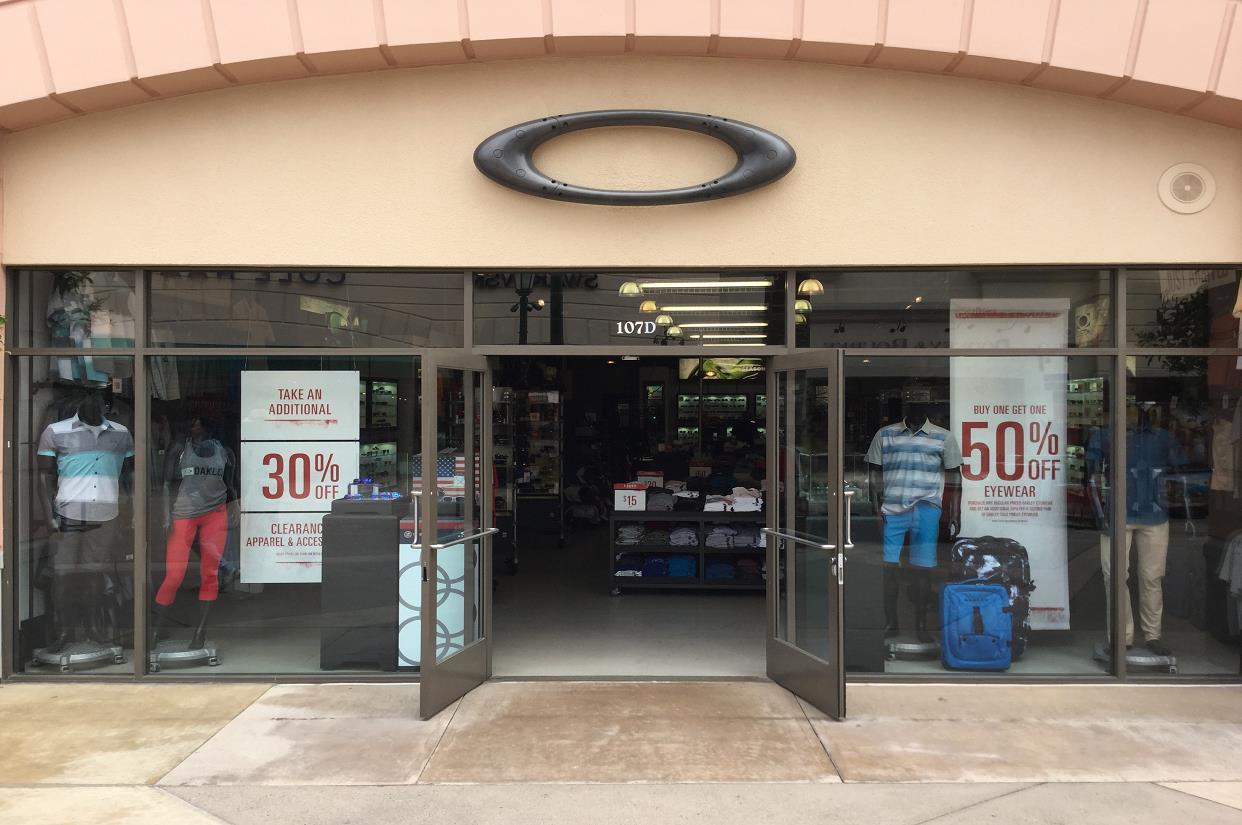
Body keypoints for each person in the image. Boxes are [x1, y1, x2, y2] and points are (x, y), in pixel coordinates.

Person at [1086, 401, 1188, 657]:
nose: (1137, 413)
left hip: (1155, 514)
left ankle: (1153, 635)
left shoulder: (1163, 438)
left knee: (1152, 577)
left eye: (1144, 408)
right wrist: (1099, 514)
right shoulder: (1105, 435)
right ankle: (1122, 636)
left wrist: (1183, 508)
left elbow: (1181, 472)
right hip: (1117, 513)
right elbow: (1092, 477)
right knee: (1114, 577)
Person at [866, 403, 962, 643]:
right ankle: (891, 623)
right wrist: (875, 508)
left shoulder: (944, 437)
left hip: (927, 508)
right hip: (892, 508)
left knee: (923, 570)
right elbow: (873, 472)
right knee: (889, 569)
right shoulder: (885, 434)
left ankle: (921, 626)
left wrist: (955, 512)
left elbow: (955, 475)